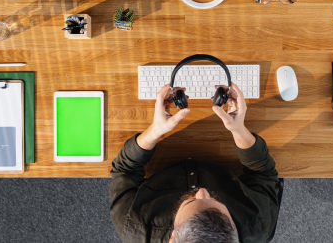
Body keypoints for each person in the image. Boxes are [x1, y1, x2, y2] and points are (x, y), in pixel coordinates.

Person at [109, 83, 281, 243]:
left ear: (173, 238)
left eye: (191, 202)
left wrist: (155, 130)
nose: (202, 191)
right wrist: (239, 130)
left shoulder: (133, 226)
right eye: (218, 201)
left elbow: (124, 171)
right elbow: (263, 174)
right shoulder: (258, 225)